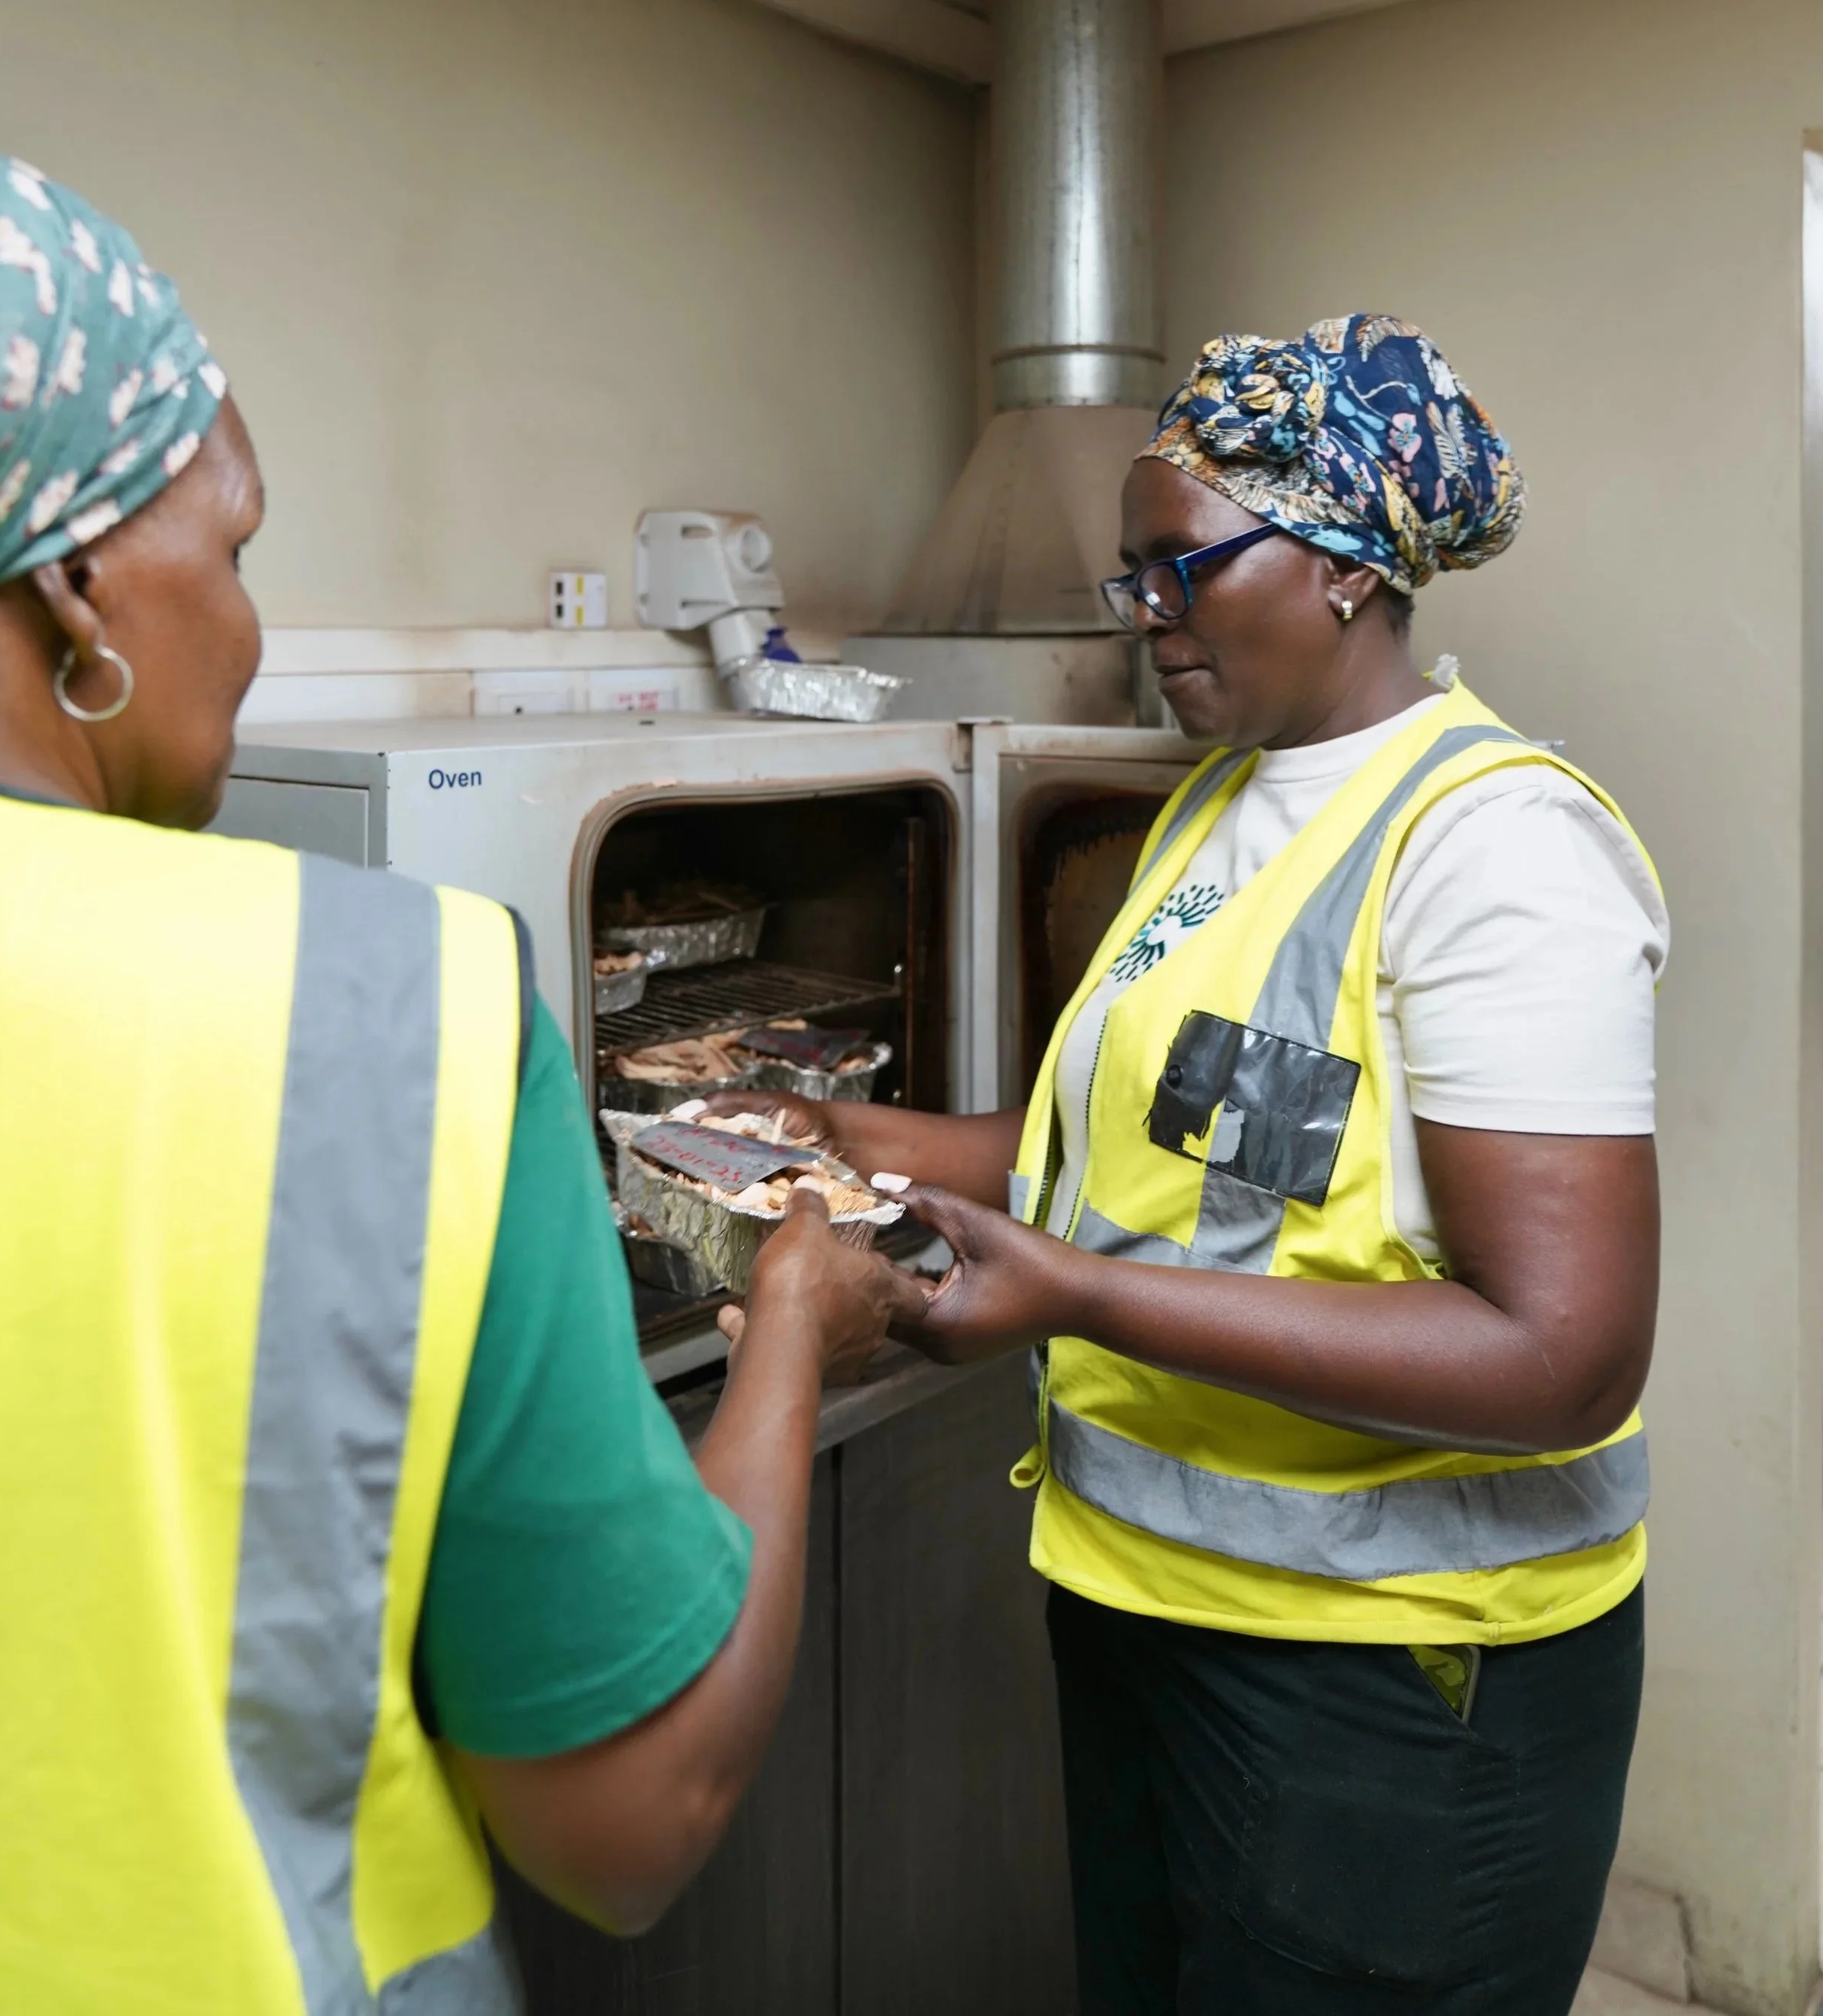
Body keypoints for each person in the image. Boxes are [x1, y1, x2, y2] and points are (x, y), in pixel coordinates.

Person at [0, 128, 923, 2012]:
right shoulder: (373, 1006)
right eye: (230, 548)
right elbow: (633, 1812)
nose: (242, 627)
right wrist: (794, 1310)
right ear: (75, 580)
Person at [710, 315, 1667, 2013]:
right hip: (1152, 1613)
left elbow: (1559, 1355)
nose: (1138, 612)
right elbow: (1117, 1149)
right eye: (1129, 573)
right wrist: (839, 1133)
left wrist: (1066, 1297)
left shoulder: (1495, 850)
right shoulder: (1216, 810)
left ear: (1344, 565)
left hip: (1391, 1680)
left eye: (1179, 567)